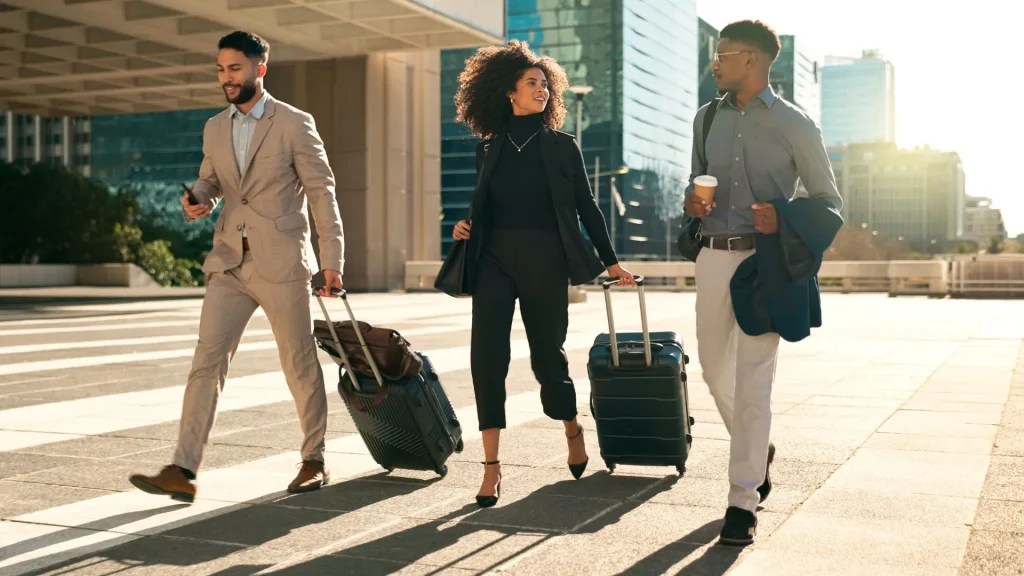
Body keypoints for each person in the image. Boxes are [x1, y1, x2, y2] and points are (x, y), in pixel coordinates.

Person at [128, 30, 345, 503]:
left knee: (298, 362)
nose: (227, 77)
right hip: (229, 260)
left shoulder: (293, 123)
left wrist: (332, 262)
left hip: (282, 261)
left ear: (259, 69)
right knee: (205, 363)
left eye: (236, 69)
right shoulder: (214, 127)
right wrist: (198, 200)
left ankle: (314, 459)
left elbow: (321, 193)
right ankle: (183, 469)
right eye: (221, 69)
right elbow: (212, 181)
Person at [450, 40, 635, 508]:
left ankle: (571, 425)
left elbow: (587, 208)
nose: (543, 91)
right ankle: (490, 467)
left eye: (546, 84)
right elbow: (484, 206)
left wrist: (610, 262)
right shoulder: (488, 149)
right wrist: (464, 224)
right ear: (508, 91)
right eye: (532, 83)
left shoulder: (561, 147)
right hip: (492, 260)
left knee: (545, 359)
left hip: (545, 261)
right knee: (485, 358)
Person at [683, 20, 843, 546]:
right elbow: (695, 182)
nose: (715, 64)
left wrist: (783, 216)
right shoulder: (706, 117)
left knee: (755, 380)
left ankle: (741, 500)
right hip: (713, 256)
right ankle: (759, 447)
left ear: (751, 59)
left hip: (766, 263)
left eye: (722, 55)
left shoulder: (797, 124)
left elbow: (828, 203)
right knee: (711, 369)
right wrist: (692, 201)